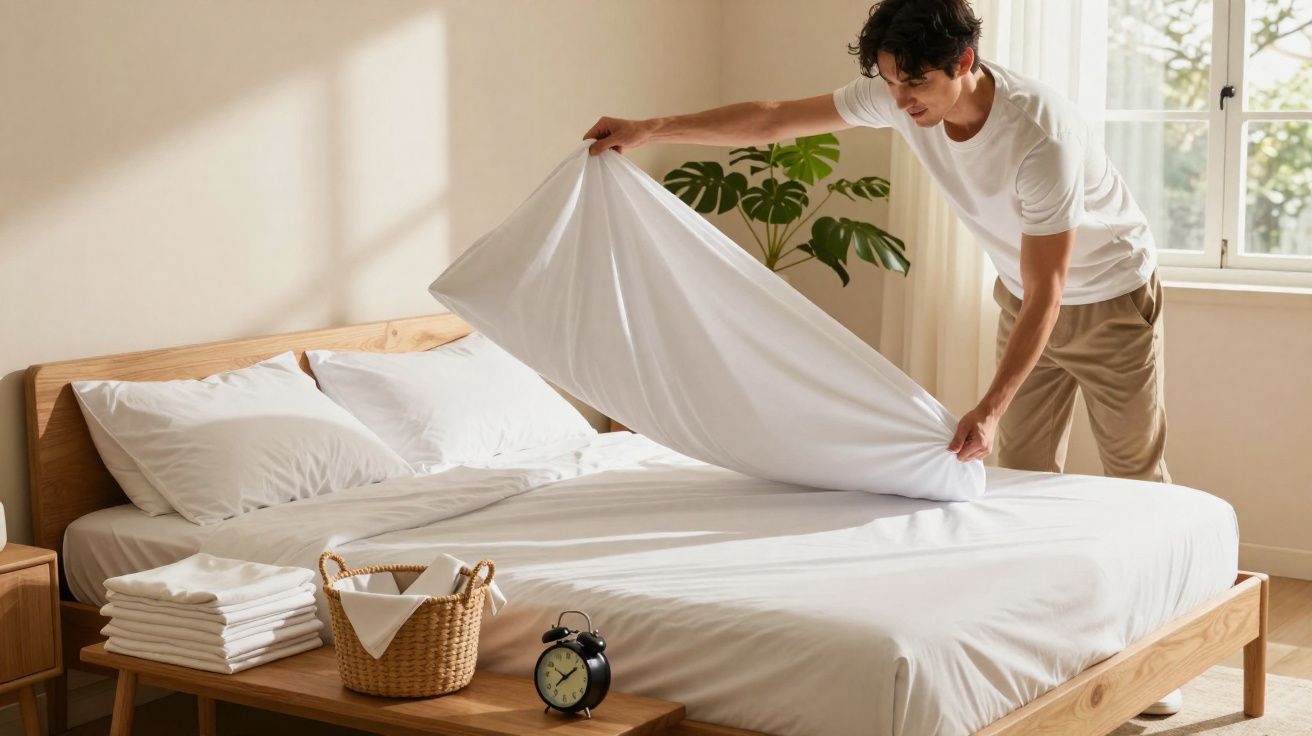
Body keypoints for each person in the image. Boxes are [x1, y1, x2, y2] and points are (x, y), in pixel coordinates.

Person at [583, 0, 1180, 717]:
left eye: (915, 83)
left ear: (965, 63)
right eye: (890, 82)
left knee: (1134, 472)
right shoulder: (903, 96)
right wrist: (650, 130)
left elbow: (1052, 288)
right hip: (1023, 297)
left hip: (1109, 297)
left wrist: (989, 404)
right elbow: (774, 118)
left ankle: (1159, 654)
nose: (900, 101)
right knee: (1024, 476)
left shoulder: (1039, 136)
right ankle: (1046, 643)